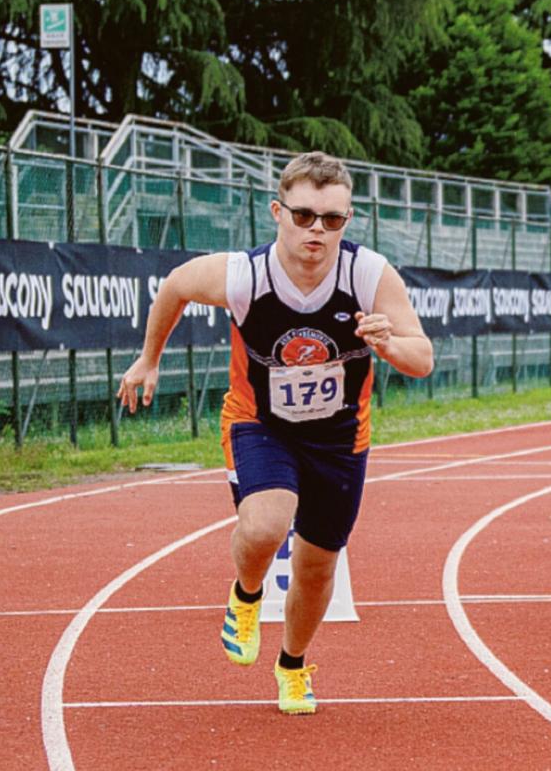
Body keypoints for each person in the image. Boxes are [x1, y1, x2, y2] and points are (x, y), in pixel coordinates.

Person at [117, 152, 432, 713]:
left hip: (340, 438)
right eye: (305, 215)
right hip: (260, 422)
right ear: (277, 212)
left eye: (332, 220)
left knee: (316, 567)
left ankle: (293, 665)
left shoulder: (367, 274)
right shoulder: (245, 275)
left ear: (347, 220)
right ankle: (246, 594)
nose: (317, 230)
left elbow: (422, 358)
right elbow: (174, 285)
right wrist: (149, 360)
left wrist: (387, 344)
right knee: (266, 523)